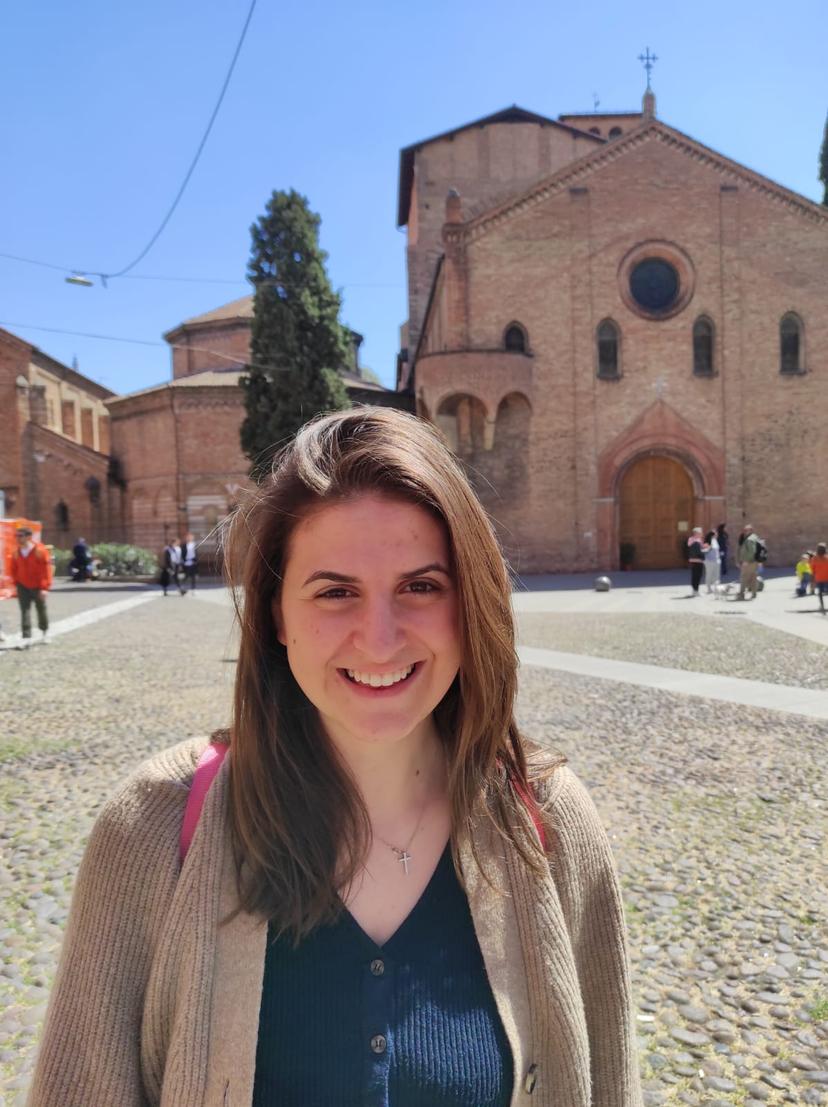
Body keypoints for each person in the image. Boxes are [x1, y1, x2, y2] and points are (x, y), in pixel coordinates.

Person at [28, 408, 642, 1106]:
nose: (379, 640)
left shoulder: (549, 823)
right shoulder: (154, 828)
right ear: (276, 615)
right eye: (335, 592)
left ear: (470, 602)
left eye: (421, 586)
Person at [10, 526, 52, 645]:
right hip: (22, 585)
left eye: (20, 536)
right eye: (16, 536)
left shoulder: (40, 551)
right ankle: (26, 637)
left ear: (28, 537)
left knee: (41, 609)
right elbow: (13, 569)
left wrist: (45, 588)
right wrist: (16, 583)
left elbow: (46, 570)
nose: (18, 538)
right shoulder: (16, 552)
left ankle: (45, 633)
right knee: (24, 611)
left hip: (38, 585)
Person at [736, 524, 762, 600]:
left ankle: (741, 594)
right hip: (755, 561)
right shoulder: (755, 537)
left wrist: (747, 561)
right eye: (744, 530)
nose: (744, 532)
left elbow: (752, 551)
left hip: (749, 562)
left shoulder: (750, 539)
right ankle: (754, 594)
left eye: (746, 530)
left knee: (744, 578)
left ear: (751, 530)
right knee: (753, 578)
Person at [686, 526, 705, 596]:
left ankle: (695, 590)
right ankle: (696, 591)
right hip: (698, 560)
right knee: (697, 576)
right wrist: (704, 552)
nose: (702, 534)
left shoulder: (691, 539)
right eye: (701, 532)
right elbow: (699, 551)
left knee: (695, 575)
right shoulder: (697, 541)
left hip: (693, 560)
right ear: (697, 533)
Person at [811, 543, 828, 615]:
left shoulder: (814, 558)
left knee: (820, 593)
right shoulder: (827, 558)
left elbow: (812, 569)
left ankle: (822, 606)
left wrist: (812, 580)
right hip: (827, 578)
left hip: (819, 578)